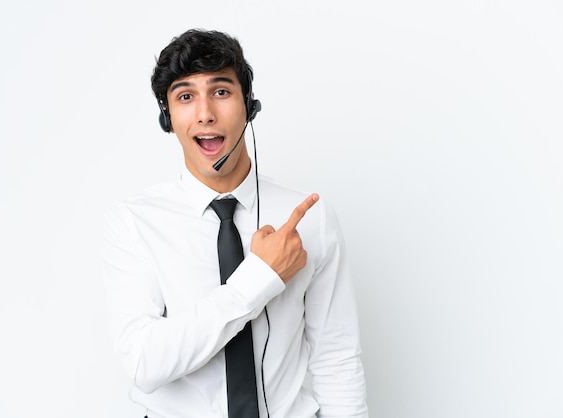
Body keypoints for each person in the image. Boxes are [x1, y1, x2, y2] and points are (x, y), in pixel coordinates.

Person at [102, 28, 368, 418]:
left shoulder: (309, 216)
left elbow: (338, 359)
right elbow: (144, 363)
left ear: (250, 104)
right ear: (167, 117)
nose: (205, 113)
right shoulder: (133, 223)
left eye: (221, 91)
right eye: (186, 96)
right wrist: (260, 276)